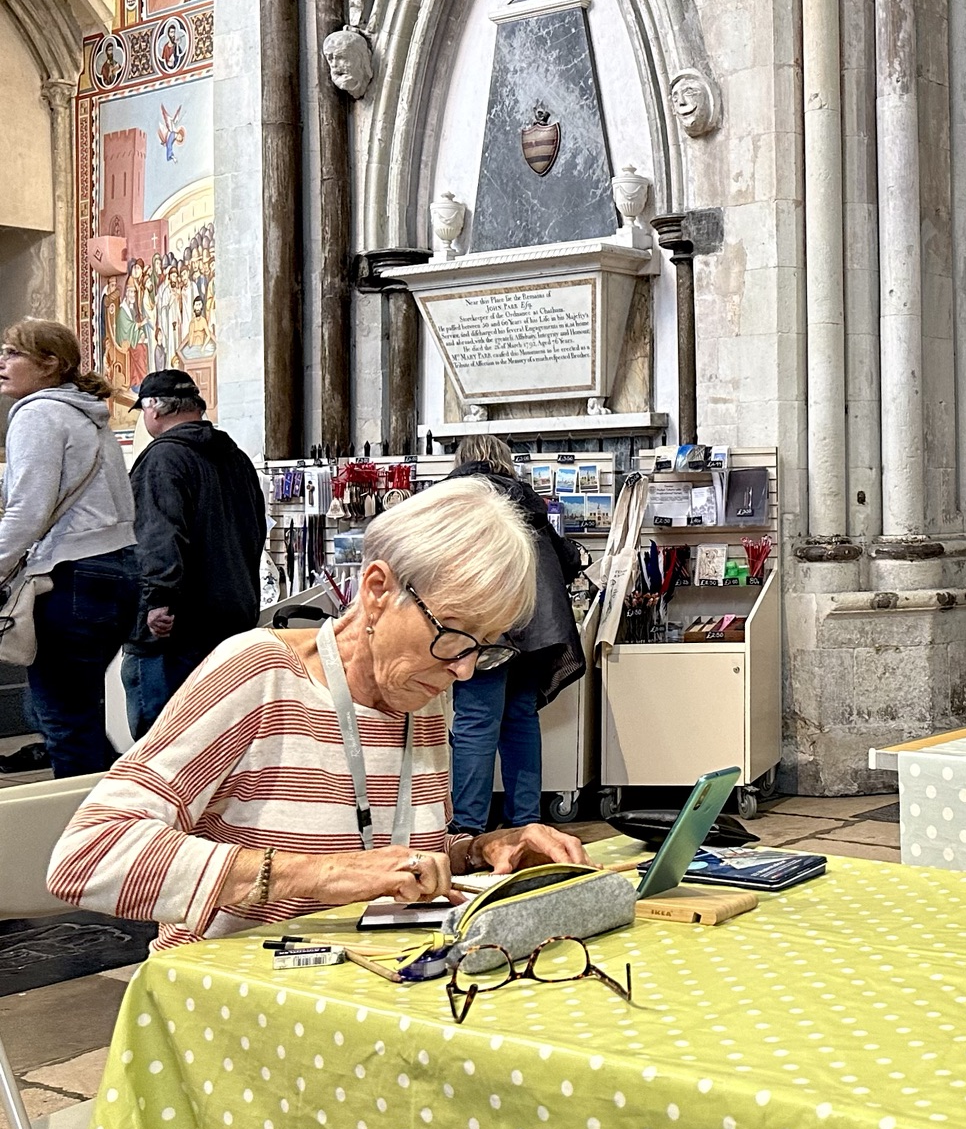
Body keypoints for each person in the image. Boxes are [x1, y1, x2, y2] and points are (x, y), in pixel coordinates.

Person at [47, 478, 587, 950]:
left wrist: (479, 851)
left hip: (366, 985)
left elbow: (386, 853)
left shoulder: (419, 694)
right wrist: (322, 875)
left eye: (485, 646)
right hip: (235, 994)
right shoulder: (261, 674)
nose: (465, 670)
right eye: (453, 633)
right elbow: (90, 854)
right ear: (377, 591)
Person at [0, 321, 139, 777]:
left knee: (65, 724)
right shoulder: (87, 414)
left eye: (13, 353)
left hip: (72, 575)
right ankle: (123, 810)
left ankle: (90, 823)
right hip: (118, 572)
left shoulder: (38, 413)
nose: (2, 362)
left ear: (50, 364)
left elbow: (27, 512)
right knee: (82, 719)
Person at [445, 436, 588, 832]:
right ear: (505, 461)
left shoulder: (456, 499)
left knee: (476, 721)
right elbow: (568, 560)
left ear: (462, 460)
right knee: (520, 719)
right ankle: (526, 822)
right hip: (536, 631)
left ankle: (467, 828)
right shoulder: (527, 501)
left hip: (485, 627)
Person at [123, 369, 266, 739]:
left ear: (154, 407)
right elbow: (255, 533)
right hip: (231, 624)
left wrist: (158, 599)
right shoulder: (237, 459)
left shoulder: (162, 459)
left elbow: (158, 534)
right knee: (217, 740)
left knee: (161, 743)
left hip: (174, 631)